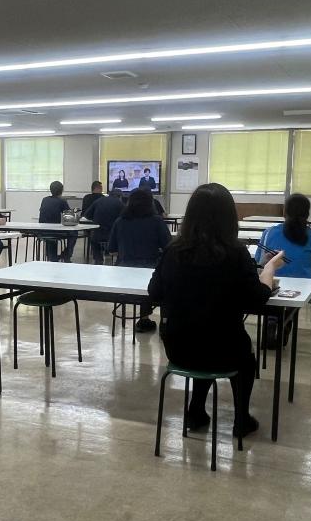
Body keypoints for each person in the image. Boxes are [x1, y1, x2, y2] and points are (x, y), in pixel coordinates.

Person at [148, 183, 286, 438]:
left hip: (178, 348)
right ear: (229, 217)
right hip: (224, 349)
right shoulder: (236, 253)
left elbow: (154, 292)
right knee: (239, 356)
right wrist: (268, 271)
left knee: (201, 338)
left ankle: (196, 410)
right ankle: (241, 419)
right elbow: (257, 300)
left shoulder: (173, 250)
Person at [108, 189, 171, 331]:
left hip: (123, 271)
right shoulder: (157, 221)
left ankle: (142, 318)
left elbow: (111, 249)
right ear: (150, 203)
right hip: (150, 269)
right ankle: (149, 319)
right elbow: (168, 247)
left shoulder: (120, 221)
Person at [255, 194, 311, 279]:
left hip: (274, 283)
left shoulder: (268, 232)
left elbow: (260, 261)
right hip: (306, 284)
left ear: (284, 212)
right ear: (307, 214)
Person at [38, 181, 76, 262]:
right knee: (74, 233)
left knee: (50, 234)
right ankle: (66, 255)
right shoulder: (62, 201)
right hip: (56, 232)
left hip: (42, 231)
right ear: (62, 190)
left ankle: (51, 256)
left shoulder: (44, 200)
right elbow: (70, 219)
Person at [86, 188, 124, 264]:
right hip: (113, 236)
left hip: (97, 235)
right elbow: (124, 219)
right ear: (120, 197)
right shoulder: (120, 204)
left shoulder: (98, 201)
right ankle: (118, 262)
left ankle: (98, 259)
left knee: (94, 239)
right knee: (123, 239)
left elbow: (87, 215)